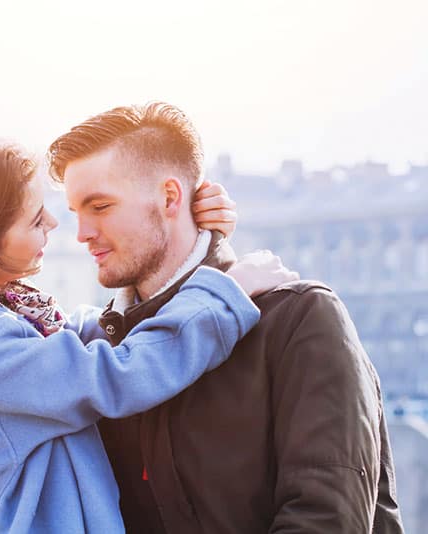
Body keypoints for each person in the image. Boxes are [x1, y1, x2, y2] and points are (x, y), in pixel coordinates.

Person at [0, 138, 297, 533]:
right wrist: (228, 290)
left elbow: (93, 332)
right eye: (36, 220)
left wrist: (195, 238)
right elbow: (122, 371)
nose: (57, 226)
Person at [48, 101, 404, 533]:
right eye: (76, 214)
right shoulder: (102, 354)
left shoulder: (298, 321)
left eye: (99, 207)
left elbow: (325, 520)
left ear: (169, 197)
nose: (82, 233)